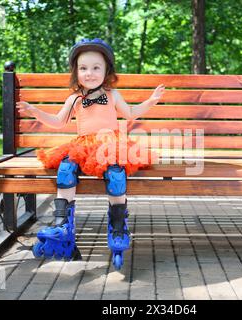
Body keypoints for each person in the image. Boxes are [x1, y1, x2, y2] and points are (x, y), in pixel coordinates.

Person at [16, 38, 165, 269]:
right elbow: (58, 121)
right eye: (83, 68)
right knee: (65, 170)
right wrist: (34, 111)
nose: (90, 73)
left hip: (110, 144)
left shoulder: (112, 95)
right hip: (82, 146)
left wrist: (151, 101)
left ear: (107, 71)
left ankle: (118, 226)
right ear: (76, 71)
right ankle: (62, 224)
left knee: (116, 175)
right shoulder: (74, 98)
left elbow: (131, 113)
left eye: (96, 67)